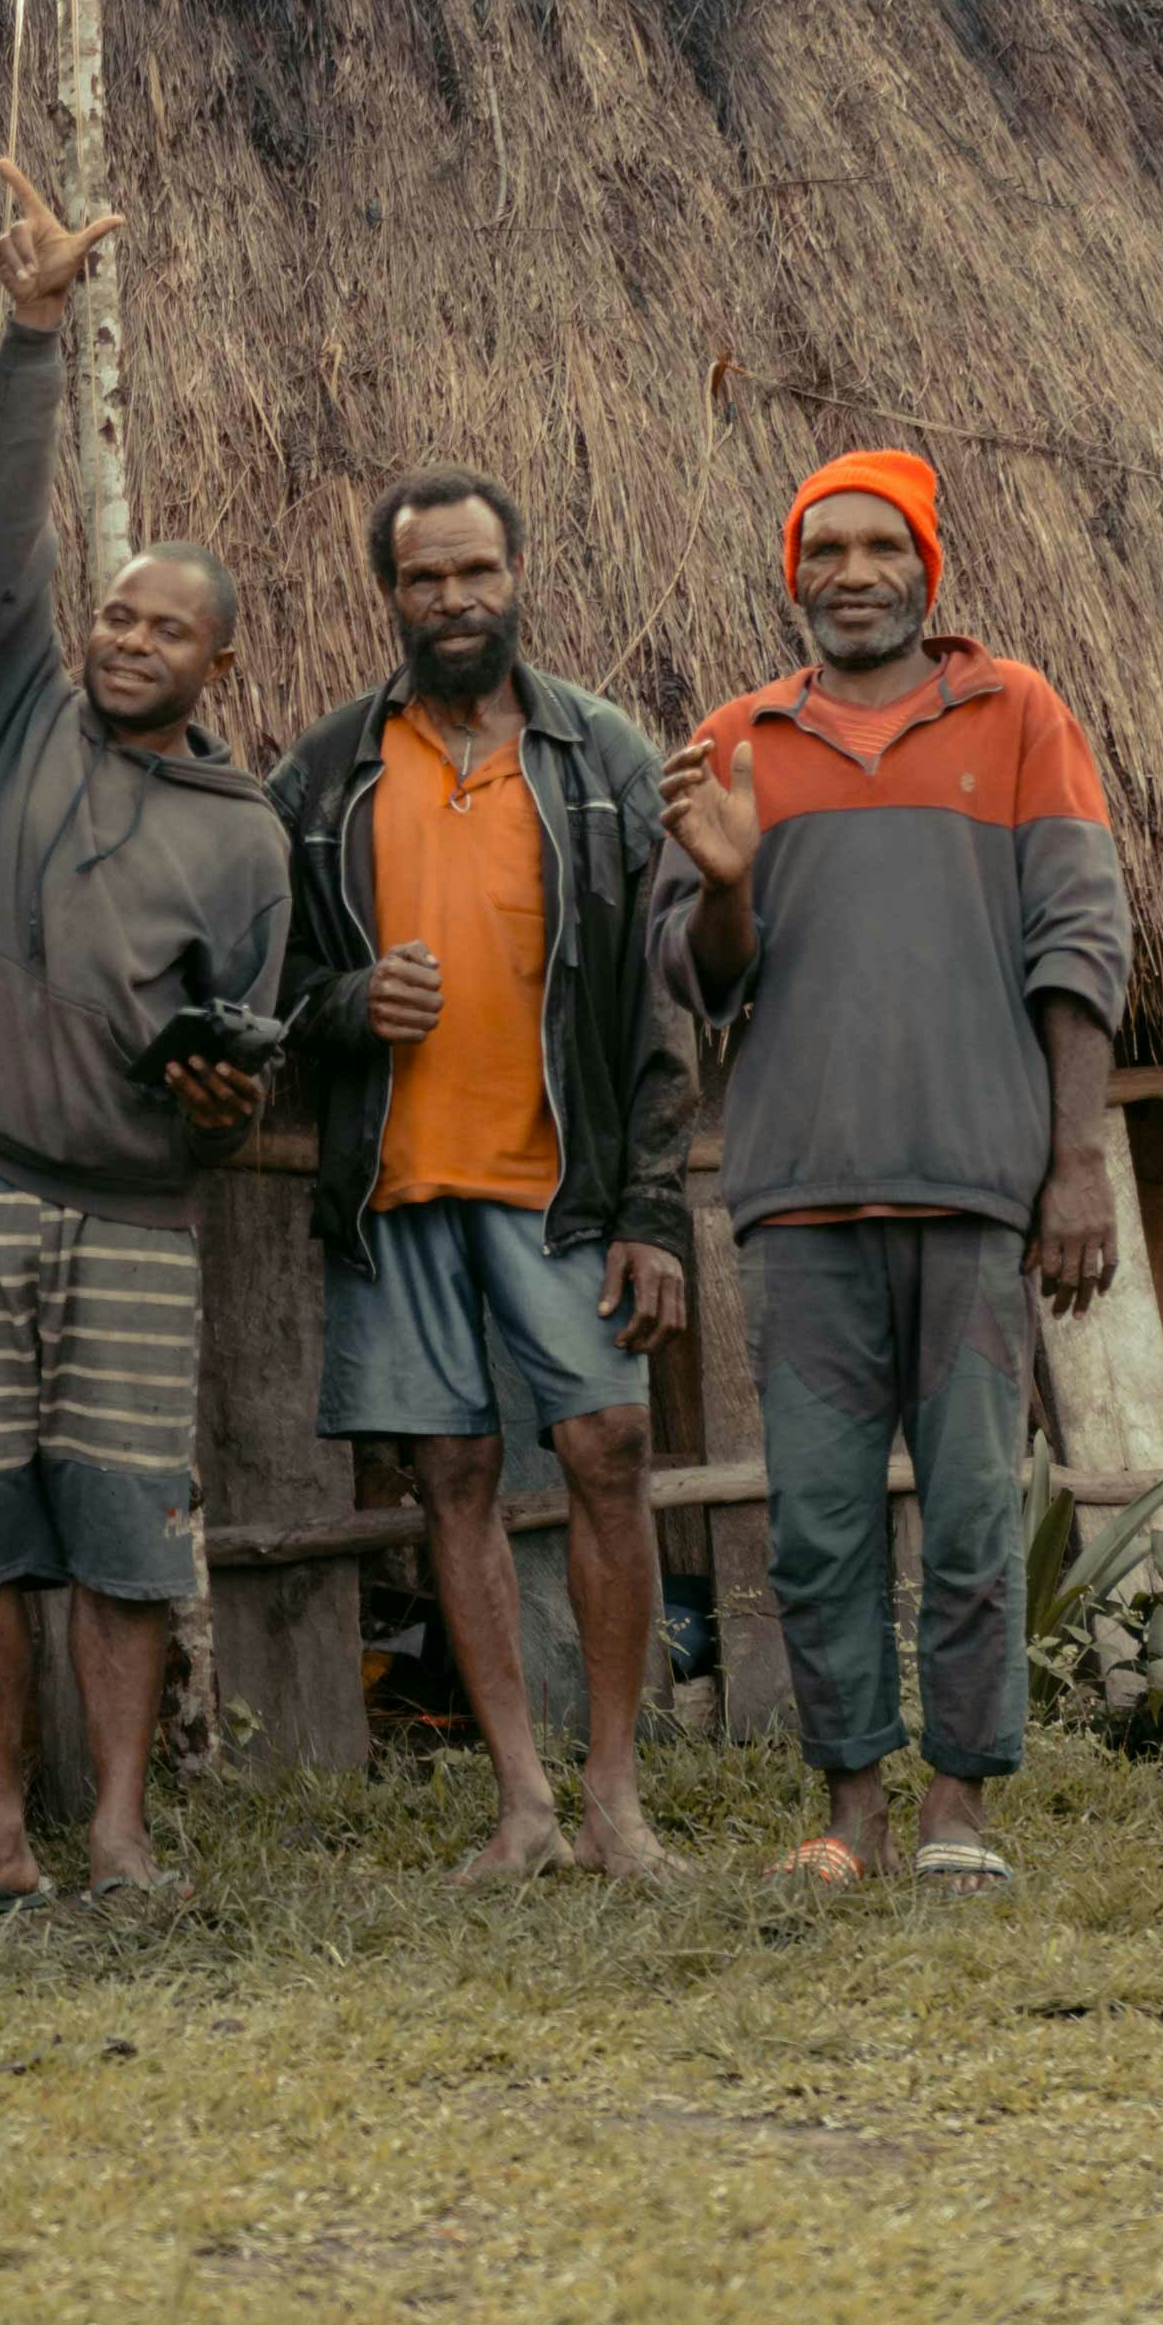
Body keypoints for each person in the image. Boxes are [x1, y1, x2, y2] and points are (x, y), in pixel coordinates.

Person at [0, 160, 289, 1924]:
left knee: (120, 1522)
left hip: (131, 1212)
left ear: (213, 659)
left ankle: (112, 1832)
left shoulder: (246, 834)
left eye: (160, 626)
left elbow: (248, 1057)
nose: (122, 637)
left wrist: (218, 1088)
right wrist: (28, 330)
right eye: (111, 611)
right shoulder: (3, 714)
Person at [660, 449, 1130, 1895]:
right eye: (825, 550)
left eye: (880, 548)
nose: (851, 574)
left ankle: (959, 1810)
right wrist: (729, 880)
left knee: (979, 1516)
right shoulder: (738, 740)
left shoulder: (1019, 711)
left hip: (978, 1194)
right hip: (800, 1197)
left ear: (928, 570)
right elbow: (704, 979)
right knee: (814, 1521)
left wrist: (1074, 1169)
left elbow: (1080, 945)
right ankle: (849, 1807)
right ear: (792, 570)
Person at [269, 471, 699, 1883]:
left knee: (608, 1455)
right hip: (397, 1185)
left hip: (562, 1182)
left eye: (474, 573)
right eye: (422, 581)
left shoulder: (602, 757)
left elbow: (656, 1005)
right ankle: (522, 1802)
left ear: (520, 574)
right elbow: (271, 988)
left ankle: (616, 1797)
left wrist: (652, 1210)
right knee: (451, 1474)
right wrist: (349, 1008)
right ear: (387, 594)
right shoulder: (330, 771)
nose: (453, 602)